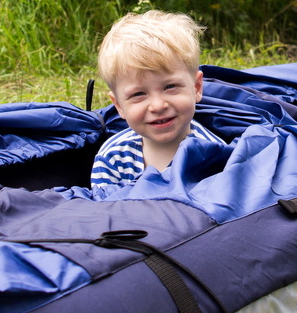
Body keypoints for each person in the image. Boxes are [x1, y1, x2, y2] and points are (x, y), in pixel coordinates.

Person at [90, 10, 225, 190]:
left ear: (196, 87)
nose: (158, 105)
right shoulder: (112, 158)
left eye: (170, 87)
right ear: (119, 105)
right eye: (138, 94)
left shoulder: (214, 154)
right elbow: (105, 215)